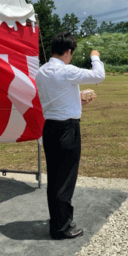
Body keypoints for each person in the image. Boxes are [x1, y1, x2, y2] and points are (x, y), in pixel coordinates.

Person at [35, 31, 105, 240]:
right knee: (65, 179)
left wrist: (78, 99)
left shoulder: (41, 72)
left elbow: (56, 97)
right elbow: (99, 76)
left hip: (50, 127)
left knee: (55, 177)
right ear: (68, 52)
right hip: (67, 129)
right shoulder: (67, 71)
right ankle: (61, 226)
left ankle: (59, 219)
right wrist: (95, 57)